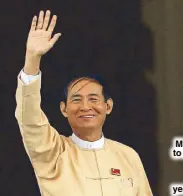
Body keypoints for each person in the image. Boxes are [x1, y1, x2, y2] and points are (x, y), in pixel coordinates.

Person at [15, 10, 153, 196]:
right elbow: (29, 119)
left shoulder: (128, 156)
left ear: (108, 106)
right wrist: (32, 58)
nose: (85, 107)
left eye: (93, 99)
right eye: (76, 100)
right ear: (64, 109)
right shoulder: (53, 153)